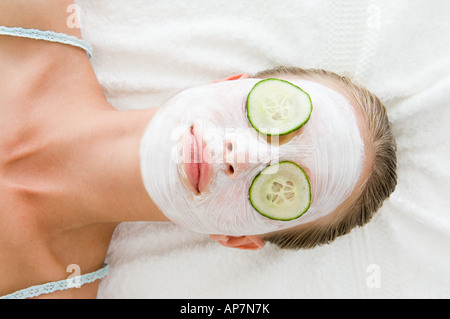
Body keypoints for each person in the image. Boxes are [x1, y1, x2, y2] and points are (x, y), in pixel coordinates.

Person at [0, 1, 397, 299]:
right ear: (228, 81)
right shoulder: (27, 14)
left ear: (237, 237)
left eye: (281, 189)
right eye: (273, 113)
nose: (241, 156)